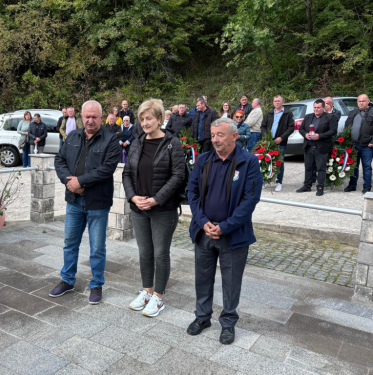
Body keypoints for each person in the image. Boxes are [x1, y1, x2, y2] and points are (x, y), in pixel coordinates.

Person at [186, 117, 263, 345]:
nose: (215, 140)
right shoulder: (203, 160)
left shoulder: (248, 162)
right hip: (204, 232)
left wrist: (225, 227)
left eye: (220, 135)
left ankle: (228, 323)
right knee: (203, 277)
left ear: (235, 136)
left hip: (233, 235)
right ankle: (202, 317)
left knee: (231, 282)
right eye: (213, 135)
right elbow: (192, 192)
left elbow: (250, 200)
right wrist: (202, 221)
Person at [51, 100, 120, 304]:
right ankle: (67, 280)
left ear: (102, 117)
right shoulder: (72, 136)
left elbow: (107, 169)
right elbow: (59, 161)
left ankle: (96, 284)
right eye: (87, 116)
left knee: (97, 247)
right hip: (74, 201)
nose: (90, 120)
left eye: (94, 117)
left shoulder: (111, 140)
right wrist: (69, 182)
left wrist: (81, 181)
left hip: (97, 203)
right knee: (69, 243)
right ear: (81, 116)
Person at [122, 99, 186, 317]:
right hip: (139, 208)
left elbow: (179, 176)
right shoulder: (137, 142)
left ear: (160, 119)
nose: (145, 122)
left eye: (149, 118)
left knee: (160, 254)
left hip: (163, 209)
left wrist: (157, 199)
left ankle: (158, 296)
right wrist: (132, 197)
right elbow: (127, 173)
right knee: (144, 253)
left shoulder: (172, 144)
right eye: (142, 118)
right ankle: (147, 291)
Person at [296, 99, 337, 196]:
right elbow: (301, 129)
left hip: (321, 147)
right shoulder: (308, 116)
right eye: (315, 107)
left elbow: (333, 131)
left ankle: (320, 187)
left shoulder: (330, 117)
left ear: (323, 108)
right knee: (308, 167)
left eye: (318, 107)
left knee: (321, 168)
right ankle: (307, 185)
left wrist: (319, 136)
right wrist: (305, 134)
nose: (316, 109)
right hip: (309, 146)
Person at [260, 95, 294, 192]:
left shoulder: (288, 114)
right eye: (275, 101)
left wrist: (282, 137)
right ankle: (267, 180)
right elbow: (263, 126)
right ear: (273, 102)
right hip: (269, 141)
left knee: (279, 162)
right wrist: (266, 137)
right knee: (267, 160)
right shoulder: (269, 113)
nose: (277, 102)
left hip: (281, 141)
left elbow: (291, 128)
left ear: (283, 102)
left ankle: (279, 182)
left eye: (279, 101)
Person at [344, 94, 373, 194]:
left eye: (363, 101)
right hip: (353, 145)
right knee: (353, 166)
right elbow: (346, 127)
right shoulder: (353, 112)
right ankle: (352, 185)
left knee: (367, 166)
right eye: (359, 101)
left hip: (367, 146)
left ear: (368, 101)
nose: (361, 103)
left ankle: (367, 186)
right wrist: (346, 141)